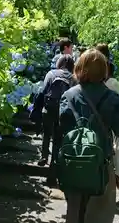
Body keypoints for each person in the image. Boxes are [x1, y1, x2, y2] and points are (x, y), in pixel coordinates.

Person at [58, 49, 119, 223]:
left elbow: (62, 129)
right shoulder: (113, 98)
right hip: (101, 162)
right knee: (100, 213)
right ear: (104, 70)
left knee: (74, 211)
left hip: (73, 161)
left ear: (80, 68)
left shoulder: (69, 95)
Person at [30, 54, 76, 186]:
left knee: (46, 133)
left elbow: (43, 92)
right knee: (57, 141)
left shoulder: (51, 74)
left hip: (48, 110)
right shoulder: (73, 78)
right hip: (63, 112)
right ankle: (53, 169)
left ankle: (44, 155)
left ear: (59, 63)